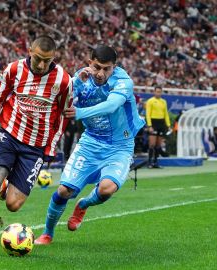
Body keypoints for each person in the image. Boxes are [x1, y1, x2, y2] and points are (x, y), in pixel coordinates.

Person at [0, 35, 72, 252]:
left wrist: (50, 148)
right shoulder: (13, 70)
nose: (41, 65)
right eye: (38, 58)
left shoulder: (63, 80)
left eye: (47, 61)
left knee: (13, 205)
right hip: (9, 136)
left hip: (35, 148)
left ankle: (7, 181)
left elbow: (63, 116)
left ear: (54, 58)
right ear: (30, 51)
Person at [34, 45, 145, 245]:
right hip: (91, 142)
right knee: (63, 191)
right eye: (97, 67)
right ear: (89, 62)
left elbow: (111, 106)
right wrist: (76, 82)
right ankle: (47, 233)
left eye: (107, 68)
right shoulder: (81, 78)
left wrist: (79, 113)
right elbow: (59, 97)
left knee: (106, 189)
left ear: (114, 67)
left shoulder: (123, 81)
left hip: (120, 146)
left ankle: (84, 204)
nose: (101, 73)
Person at [145, 86, 170, 168]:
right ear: (154, 92)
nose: (158, 93)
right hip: (153, 123)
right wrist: (149, 125)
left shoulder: (164, 102)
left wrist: (168, 125)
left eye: (160, 92)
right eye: (157, 91)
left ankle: (155, 163)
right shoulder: (150, 101)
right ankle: (149, 163)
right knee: (152, 144)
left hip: (161, 123)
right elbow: (148, 114)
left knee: (158, 145)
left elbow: (166, 114)